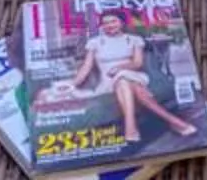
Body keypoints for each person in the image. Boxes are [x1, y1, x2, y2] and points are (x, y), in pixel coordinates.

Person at [71, 9, 200, 146]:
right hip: (109, 82)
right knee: (126, 83)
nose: (109, 25)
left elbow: (137, 63)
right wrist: (72, 85)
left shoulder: (134, 40)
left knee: (123, 78)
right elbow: (86, 67)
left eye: (113, 21)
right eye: (105, 23)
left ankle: (131, 130)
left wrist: (120, 67)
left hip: (134, 75)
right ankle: (176, 123)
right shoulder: (95, 42)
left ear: (121, 22)